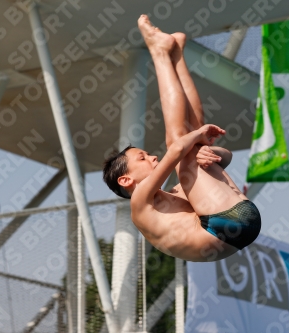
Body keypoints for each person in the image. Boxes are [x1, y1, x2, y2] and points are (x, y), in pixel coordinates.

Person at [103, 15, 260, 262]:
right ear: (126, 179)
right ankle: (159, 52)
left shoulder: (177, 192)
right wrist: (196, 138)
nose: (152, 156)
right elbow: (175, 149)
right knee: (183, 142)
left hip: (236, 223)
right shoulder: (140, 204)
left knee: (194, 146)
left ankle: (175, 55)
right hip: (223, 225)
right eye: (142, 158)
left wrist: (209, 152)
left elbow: (224, 158)